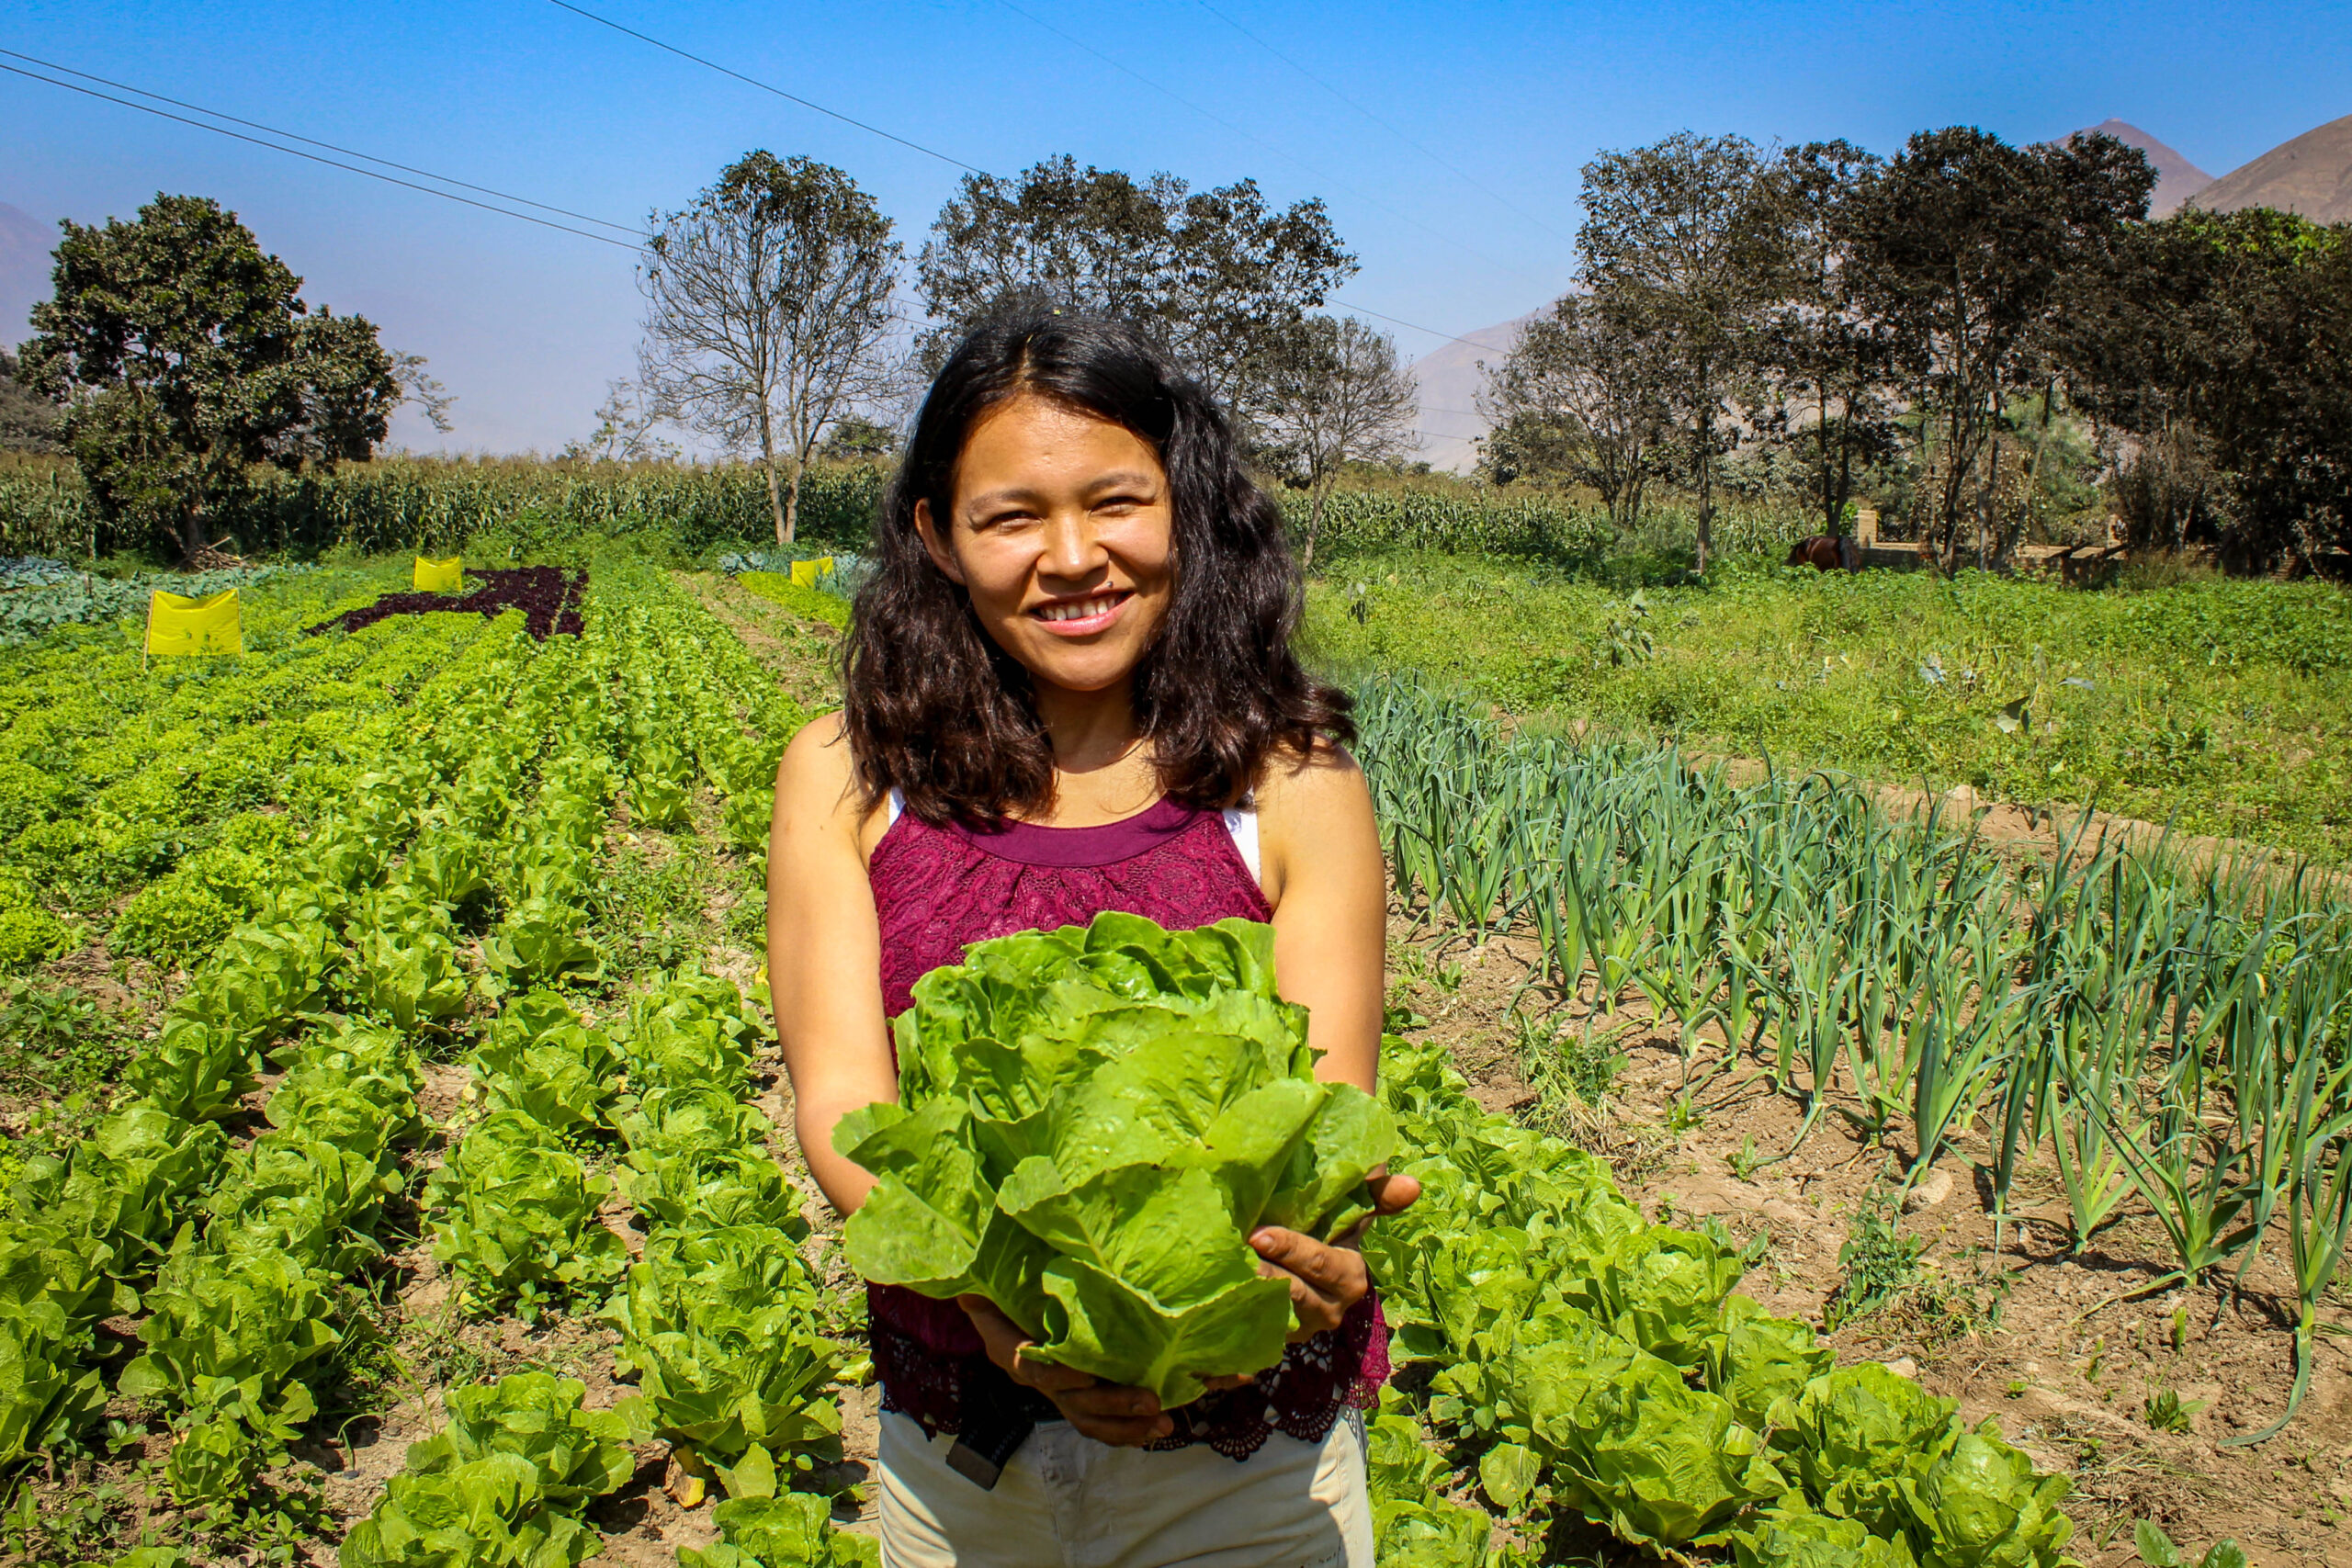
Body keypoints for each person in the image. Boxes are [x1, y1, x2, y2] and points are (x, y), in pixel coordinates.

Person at [765, 309, 1416, 1568]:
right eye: (1011, 516)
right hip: (967, 1469)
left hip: (1249, 1484)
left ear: (1186, 509)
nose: (1073, 558)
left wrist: (1301, 1259)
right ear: (938, 538)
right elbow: (844, 1106)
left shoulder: (1292, 783)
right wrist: (1005, 1305)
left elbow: (1328, 1104)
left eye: (1117, 501)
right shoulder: (846, 780)